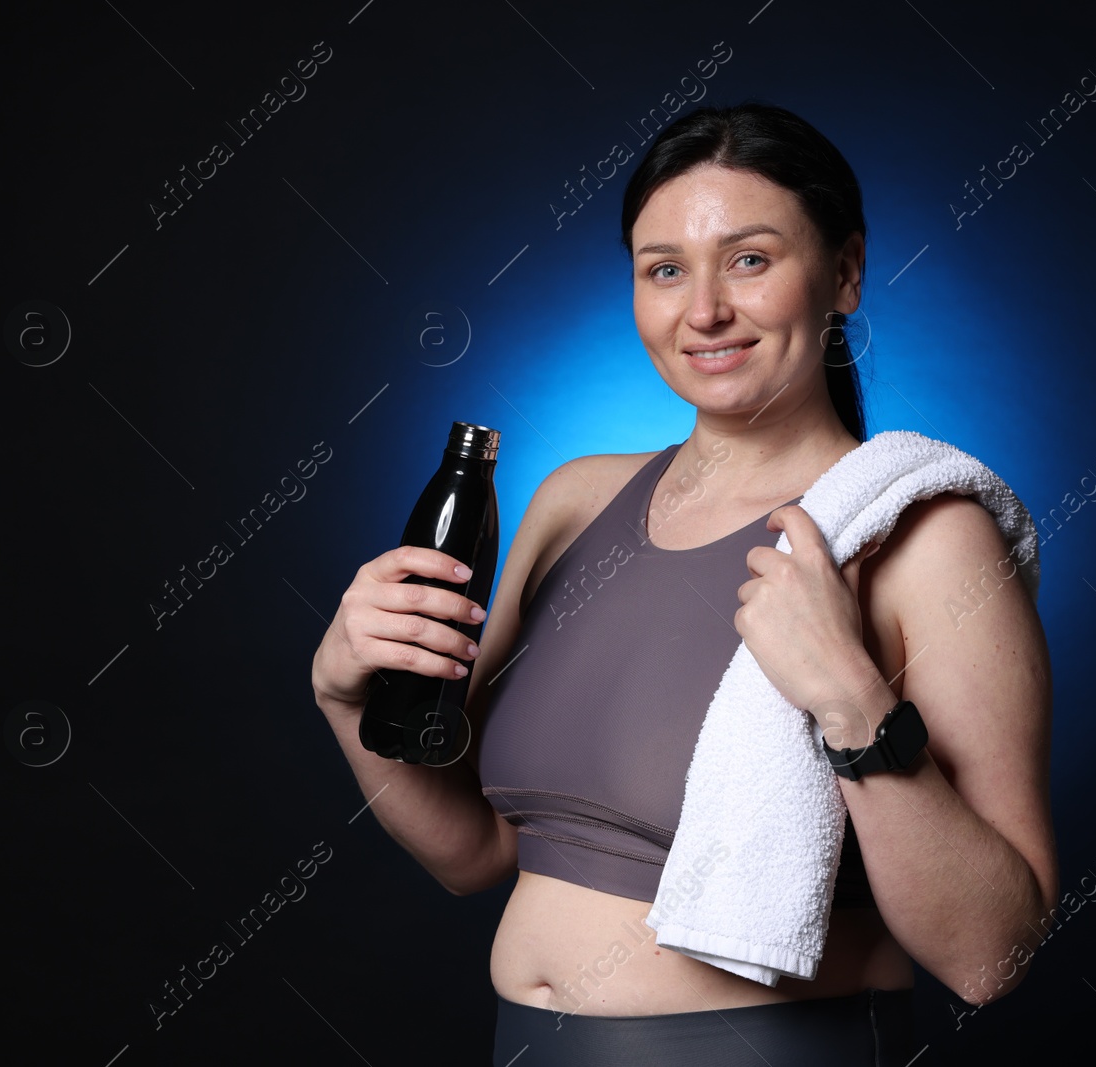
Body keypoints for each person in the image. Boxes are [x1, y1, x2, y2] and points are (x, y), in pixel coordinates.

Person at [311, 102, 1058, 1066]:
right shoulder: (576, 501)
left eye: (749, 259)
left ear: (845, 272)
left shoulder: (925, 538)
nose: (702, 310)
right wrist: (343, 696)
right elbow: (479, 853)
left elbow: (993, 956)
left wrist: (850, 698)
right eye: (665, 269)